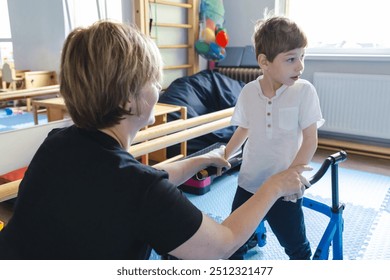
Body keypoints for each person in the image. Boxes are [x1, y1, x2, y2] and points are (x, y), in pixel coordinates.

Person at [0, 20, 309, 260]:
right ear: (128, 101)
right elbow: (222, 244)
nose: (160, 88)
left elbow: (131, 183)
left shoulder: (60, 142)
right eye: (153, 80)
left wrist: (198, 160)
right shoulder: (141, 190)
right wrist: (274, 186)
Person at [224, 16, 324, 260]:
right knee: (231, 243)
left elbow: (311, 140)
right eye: (291, 59)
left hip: (284, 189)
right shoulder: (248, 92)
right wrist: (224, 155)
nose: (300, 66)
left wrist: (293, 175)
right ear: (264, 62)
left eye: (302, 56)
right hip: (249, 183)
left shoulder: (304, 91)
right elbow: (244, 128)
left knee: (296, 247)